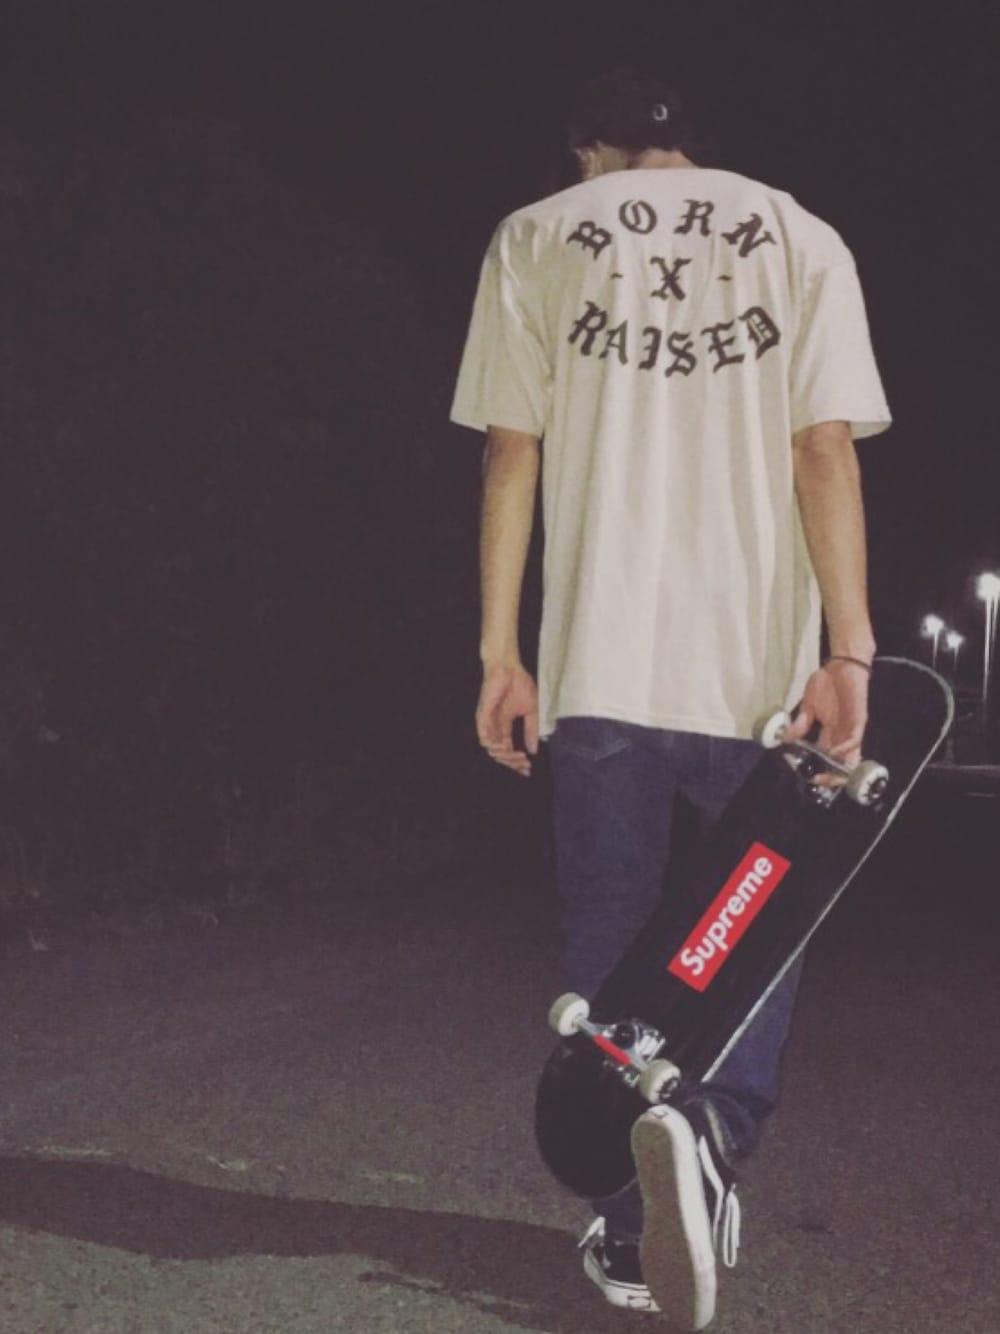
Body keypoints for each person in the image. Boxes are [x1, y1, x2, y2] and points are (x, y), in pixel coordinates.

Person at [451, 67, 890, 1329]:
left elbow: (510, 449)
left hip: (602, 665)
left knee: (615, 928)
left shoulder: (535, 236)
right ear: (692, 145)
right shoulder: (800, 236)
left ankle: (630, 1216)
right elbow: (822, 447)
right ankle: (709, 1132)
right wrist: (848, 647)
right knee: (751, 922)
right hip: (758, 677)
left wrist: (499, 653)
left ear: (588, 150)